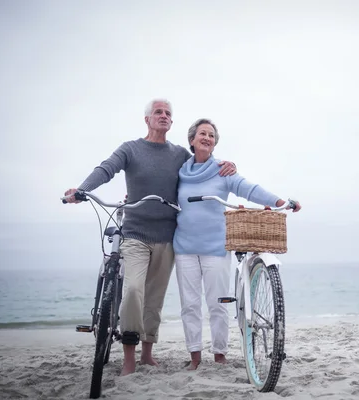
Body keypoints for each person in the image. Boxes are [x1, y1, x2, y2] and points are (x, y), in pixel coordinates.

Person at [63, 100, 237, 376]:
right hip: (135, 234)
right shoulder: (130, 149)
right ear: (147, 119)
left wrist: (227, 164)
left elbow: (202, 163)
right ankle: (129, 356)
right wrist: (82, 190)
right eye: (159, 112)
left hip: (167, 237)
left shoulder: (179, 154)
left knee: (154, 300)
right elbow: (106, 169)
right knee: (133, 291)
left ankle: (147, 353)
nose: (164, 116)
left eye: (168, 113)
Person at [173, 118, 301, 370]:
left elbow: (248, 188)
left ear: (214, 142)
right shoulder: (179, 173)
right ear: (192, 140)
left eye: (211, 135)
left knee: (218, 303)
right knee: (189, 305)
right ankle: (195, 357)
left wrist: (277, 202)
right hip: (184, 247)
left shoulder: (223, 170)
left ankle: (220, 354)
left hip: (216, 247)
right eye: (202, 133)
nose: (207, 137)